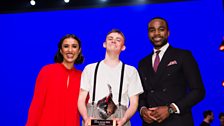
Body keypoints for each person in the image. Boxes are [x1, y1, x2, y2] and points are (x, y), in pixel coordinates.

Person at [138, 17, 205, 126]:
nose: (156, 33)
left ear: (168, 33)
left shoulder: (183, 56)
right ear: (148, 34)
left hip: (178, 121)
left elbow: (198, 91)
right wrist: (143, 110)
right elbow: (141, 95)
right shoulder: (143, 63)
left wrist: (171, 109)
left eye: (161, 29)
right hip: (150, 123)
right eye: (152, 30)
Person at [78, 29, 143, 126]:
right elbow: (81, 99)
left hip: (120, 117)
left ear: (123, 47)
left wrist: (124, 119)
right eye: (110, 38)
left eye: (118, 39)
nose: (113, 41)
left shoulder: (131, 71)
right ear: (104, 44)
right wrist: (86, 118)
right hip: (92, 116)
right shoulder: (90, 69)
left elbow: (134, 103)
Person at [26, 34, 84, 126]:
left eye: (74, 46)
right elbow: (37, 104)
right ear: (61, 50)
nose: (70, 50)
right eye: (66, 46)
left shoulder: (83, 77)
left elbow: (88, 108)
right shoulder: (47, 71)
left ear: (79, 50)